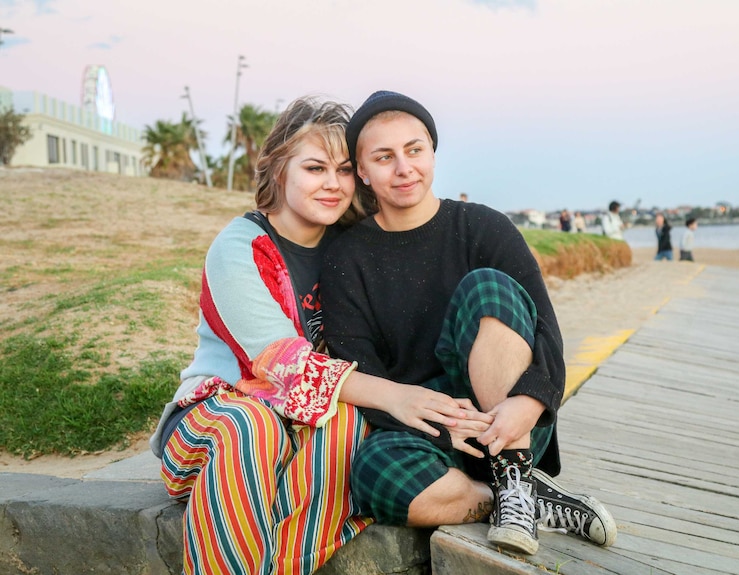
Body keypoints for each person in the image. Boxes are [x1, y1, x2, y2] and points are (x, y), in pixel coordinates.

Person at [149, 97, 469, 575]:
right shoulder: (240, 246)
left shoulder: (352, 249)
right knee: (250, 425)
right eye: (315, 168)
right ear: (279, 170)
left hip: (302, 432)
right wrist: (395, 396)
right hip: (213, 426)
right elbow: (285, 367)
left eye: (343, 170)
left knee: (347, 427)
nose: (333, 184)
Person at [321, 91, 616, 556]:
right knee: (373, 473)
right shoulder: (347, 258)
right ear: (362, 172)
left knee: (487, 287)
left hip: (512, 418)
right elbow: (363, 374)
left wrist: (530, 402)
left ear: (432, 152)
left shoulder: (483, 228)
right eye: (384, 157)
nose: (403, 168)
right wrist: (442, 428)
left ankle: (514, 474)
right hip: (426, 430)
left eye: (414, 150)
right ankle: (516, 502)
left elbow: (547, 336)